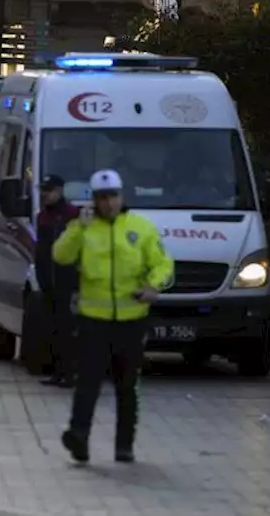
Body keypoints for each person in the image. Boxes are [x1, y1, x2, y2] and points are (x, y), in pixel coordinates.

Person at [53, 169, 173, 464]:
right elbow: (60, 255)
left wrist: (152, 286)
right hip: (94, 320)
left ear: (122, 197)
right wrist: (77, 229)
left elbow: (163, 264)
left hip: (132, 321)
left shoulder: (141, 228)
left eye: (113, 197)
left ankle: (124, 445)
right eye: (102, 198)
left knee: (126, 385)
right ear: (93, 200)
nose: (108, 203)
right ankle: (78, 436)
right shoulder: (83, 228)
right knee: (88, 382)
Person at [36, 174, 81, 387]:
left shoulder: (73, 215)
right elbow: (41, 250)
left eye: (50, 190)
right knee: (51, 328)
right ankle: (57, 371)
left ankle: (70, 373)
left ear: (60, 190)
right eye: (43, 190)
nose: (45, 194)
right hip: (49, 281)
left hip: (67, 281)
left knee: (68, 329)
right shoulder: (42, 216)